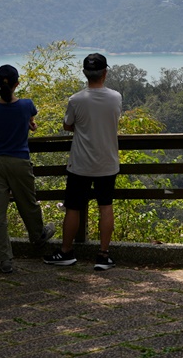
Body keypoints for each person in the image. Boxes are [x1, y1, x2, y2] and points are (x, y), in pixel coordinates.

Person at [45, 53, 122, 270]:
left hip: (80, 163)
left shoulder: (75, 100)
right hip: (107, 162)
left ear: (84, 73)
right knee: (105, 207)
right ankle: (103, 255)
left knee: (73, 207)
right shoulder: (116, 97)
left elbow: (68, 125)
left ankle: (66, 251)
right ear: (105, 73)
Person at [0, 64, 54, 274]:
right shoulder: (27, 105)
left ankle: (5, 260)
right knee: (28, 203)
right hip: (20, 161)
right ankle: (38, 237)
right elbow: (31, 124)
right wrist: (29, 126)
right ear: (17, 84)